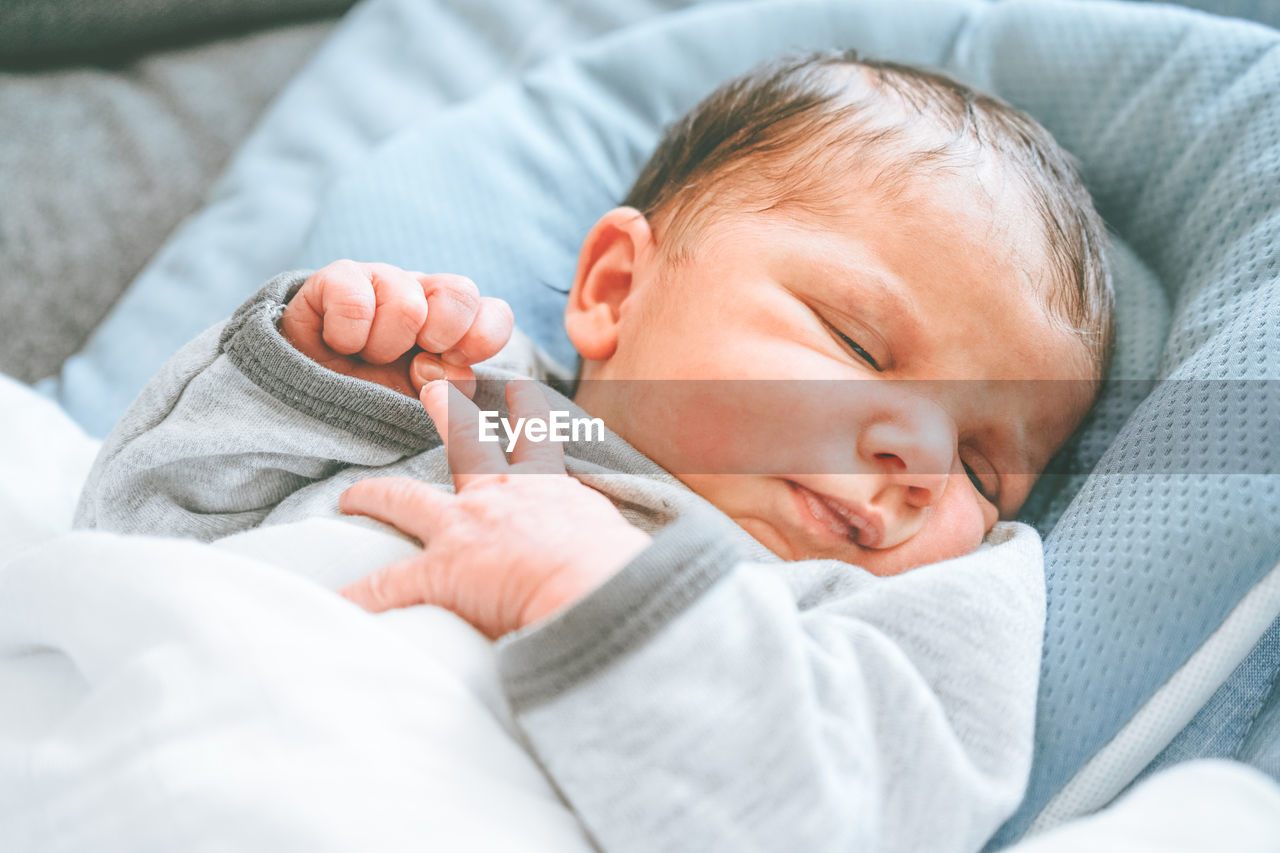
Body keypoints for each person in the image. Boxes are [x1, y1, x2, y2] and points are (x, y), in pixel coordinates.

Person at [76, 51, 1112, 852]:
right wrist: (297, 383)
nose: (921, 459)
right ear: (615, 289)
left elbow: (845, 821)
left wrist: (598, 589)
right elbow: (128, 544)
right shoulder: (483, 410)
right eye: (855, 343)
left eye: (984, 466)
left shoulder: (881, 622)